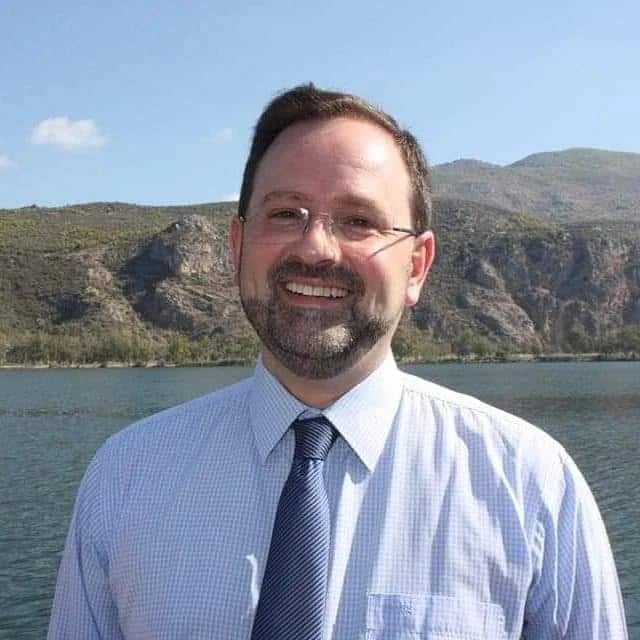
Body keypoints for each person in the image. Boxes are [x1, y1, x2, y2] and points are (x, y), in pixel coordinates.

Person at [48, 84, 628, 639]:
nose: (315, 248)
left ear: (417, 266)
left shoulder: (531, 485)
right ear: (237, 247)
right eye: (285, 213)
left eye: (358, 221)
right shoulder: (126, 477)